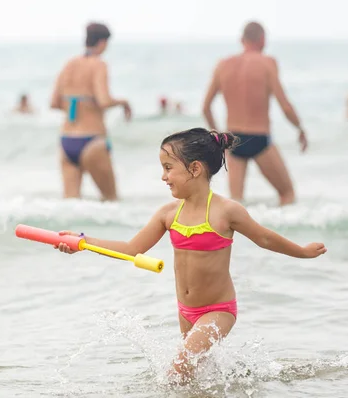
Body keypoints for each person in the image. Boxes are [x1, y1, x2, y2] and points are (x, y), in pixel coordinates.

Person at [54, 127, 327, 382]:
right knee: (194, 380)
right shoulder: (168, 214)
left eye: (168, 168)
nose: (163, 176)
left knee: (176, 374)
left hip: (218, 311)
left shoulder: (226, 211)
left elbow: (264, 238)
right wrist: (84, 241)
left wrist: (302, 252)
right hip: (185, 311)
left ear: (194, 168)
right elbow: (130, 249)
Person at [202, 21, 308, 206]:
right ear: (263, 40)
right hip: (260, 139)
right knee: (287, 194)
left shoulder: (223, 65)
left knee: (235, 205)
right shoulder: (268, 63)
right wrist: (300, 128)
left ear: (241, 40)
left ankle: (237, 234)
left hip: (233, 140)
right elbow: (285, 106)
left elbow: (205, 107)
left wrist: (219, 139)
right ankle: (280, 232)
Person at [50, 22, 131, 200]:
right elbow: (104, 101)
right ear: (102, 42)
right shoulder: (99, 65)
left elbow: (54, 103)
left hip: (67, 140)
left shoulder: (69, 64)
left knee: (71, 205)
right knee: (112, 201)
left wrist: (76, 104)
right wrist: (123, 102)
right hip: (92, 140)